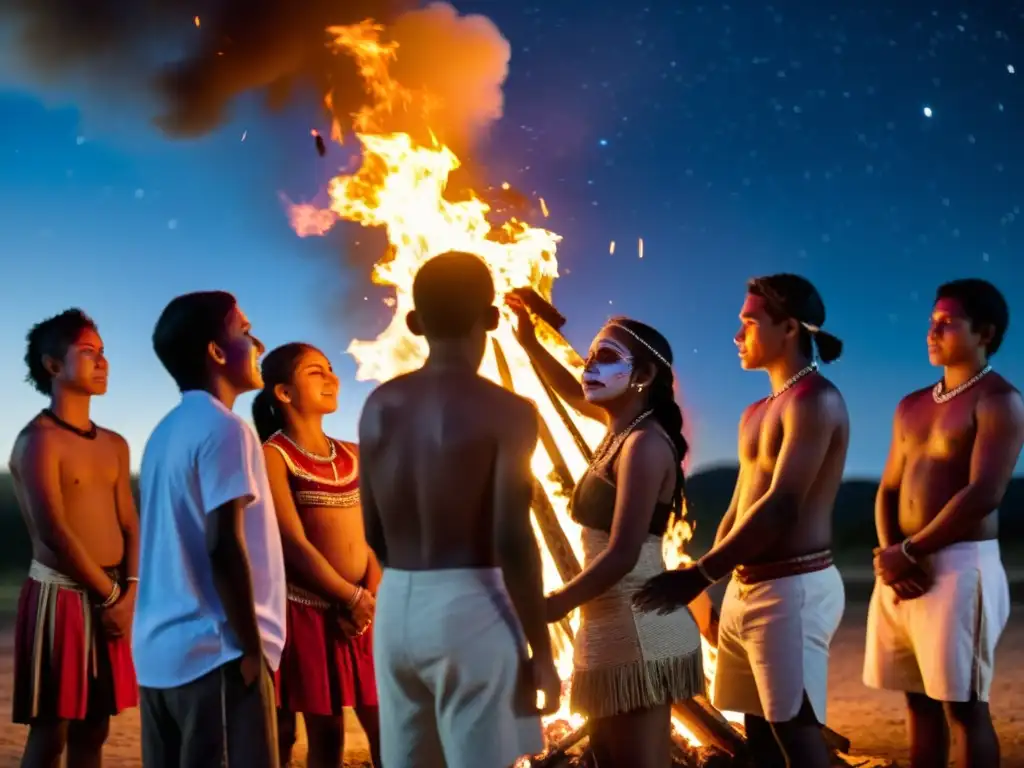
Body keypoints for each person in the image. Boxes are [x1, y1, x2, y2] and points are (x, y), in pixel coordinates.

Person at [635, 273, 849, 768]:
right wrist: (714, 582)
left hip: (794, 589)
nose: (737, 336)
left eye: (749, 323)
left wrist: (702, 572)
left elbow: (781, 505)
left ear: (790, 328)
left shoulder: (816, 400)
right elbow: (740, 505)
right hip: (747, 588)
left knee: (795, 731)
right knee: (758, 735)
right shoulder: (756, 411)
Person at [357, 251, 561, 768]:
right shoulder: (509, 411)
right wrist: (543, 650)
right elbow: (513, 537)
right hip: (472, 606)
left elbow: (373, 527)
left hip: (397, 608)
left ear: (415, 323)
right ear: (491, 319)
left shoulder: (380, 405)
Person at [509, 297, 705, 768]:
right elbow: (569, 389)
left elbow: (621, 554)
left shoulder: (643, 444)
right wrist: (530, 343)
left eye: (607, 357)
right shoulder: (619, 427)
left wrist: (552, 605)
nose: (589, 366)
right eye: (590, 356)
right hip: (607, 624)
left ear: (644, 377)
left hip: (640, 627)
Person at [863, 278, 1022, 768]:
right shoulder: (910, 405)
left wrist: (910, 553)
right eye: (931, 322)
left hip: (958, 569)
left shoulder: (999, 400)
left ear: (985, 333)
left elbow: (983, 494)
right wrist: (893, 555)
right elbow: (888, 488)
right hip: (899, 566)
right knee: (916, 698)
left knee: (964, 705)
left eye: (946, 323)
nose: (931, 332)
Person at [132, 291, 286, 768]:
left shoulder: (165, 431)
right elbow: (223, 546)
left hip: (161, 657)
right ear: (217, 353)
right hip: (215, 653)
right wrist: (250, 649)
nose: (257, 341)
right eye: (243, 330)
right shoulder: (226, 429)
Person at [9, 308, 139, 768]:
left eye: (103, 353)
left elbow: (129, 521)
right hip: (61, 598)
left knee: (96, 725)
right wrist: (110, 597)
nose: (102, 362)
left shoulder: (116, 444)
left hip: (114, 595)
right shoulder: (37, 441)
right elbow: (54, 533)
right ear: (52, 365)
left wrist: (131, 593)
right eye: (87, 352)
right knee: (52, 730)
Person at [251, 343, 381, 767]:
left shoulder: (352, 453)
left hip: (364, 614)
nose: (332, 378)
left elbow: (368, 537)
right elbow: (292, 542)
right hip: (309, 613)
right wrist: (348, 597)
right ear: (284, 393)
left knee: (386, 723)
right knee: (327, 737)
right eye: (315, 372)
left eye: (329, 369)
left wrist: (369, 598)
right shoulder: (273, 455)